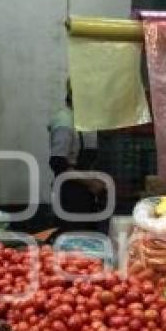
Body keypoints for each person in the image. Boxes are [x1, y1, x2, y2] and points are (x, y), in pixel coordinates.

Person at [48, 81, 107, 235]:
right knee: (73, 237)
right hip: (70, 193)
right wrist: (90, 182)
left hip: (86, 193)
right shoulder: (64, 122)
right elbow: (58, 164)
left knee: (89, 237)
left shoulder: (84, 119)